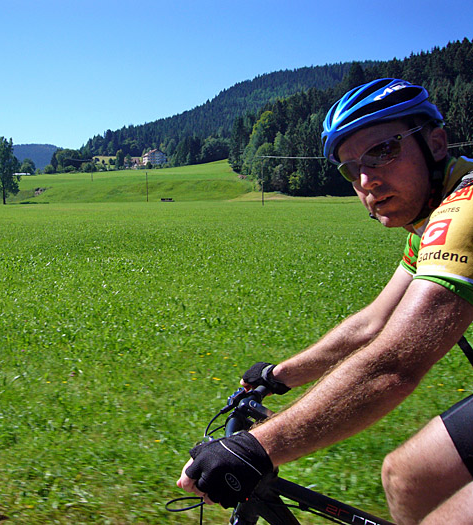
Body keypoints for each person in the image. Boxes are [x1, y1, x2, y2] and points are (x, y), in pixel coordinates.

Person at [177, 78, 473, 524]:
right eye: (351, 169)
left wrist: (257, 447)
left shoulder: (465, 211)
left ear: (435, 143)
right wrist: (278, 376)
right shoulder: (431, 222)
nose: (367, 180)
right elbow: (374, 322)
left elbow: (395, 363)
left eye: (383, 151)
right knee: (407, 476)